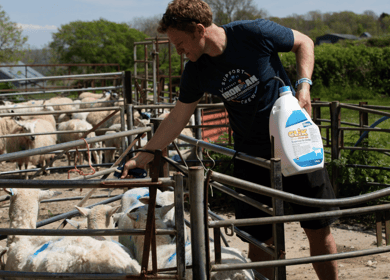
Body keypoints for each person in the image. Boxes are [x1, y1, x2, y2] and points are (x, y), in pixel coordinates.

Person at [121, 0, 339, 279]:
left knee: (318, 228)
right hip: (251, 154)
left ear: (200, 30)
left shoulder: (253, 33)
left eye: (180, 43)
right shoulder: (196, 71)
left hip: (295, 141)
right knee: (259, 241)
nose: (179, 51)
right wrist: (145, 154)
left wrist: (304, 85)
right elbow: (177, 118)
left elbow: (305, 42)